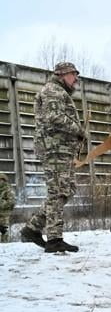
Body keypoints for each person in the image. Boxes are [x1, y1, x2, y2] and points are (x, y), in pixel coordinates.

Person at [20, 62, 84, 253]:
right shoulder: (53, 90)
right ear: (63, 74)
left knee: (67, 189)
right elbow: (53, 117)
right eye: (74, 74)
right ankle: (54, 239)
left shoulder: (59, 91)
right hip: (55, 150)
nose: (77, 79)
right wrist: (78, 130)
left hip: (61, 150)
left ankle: (32, 227)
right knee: (58, 192)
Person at [0, 173, 15, 243]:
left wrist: (1, 202)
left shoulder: (8, 190)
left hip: (4, 214)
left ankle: (5, 243)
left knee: (4, 230)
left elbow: (11, 202)